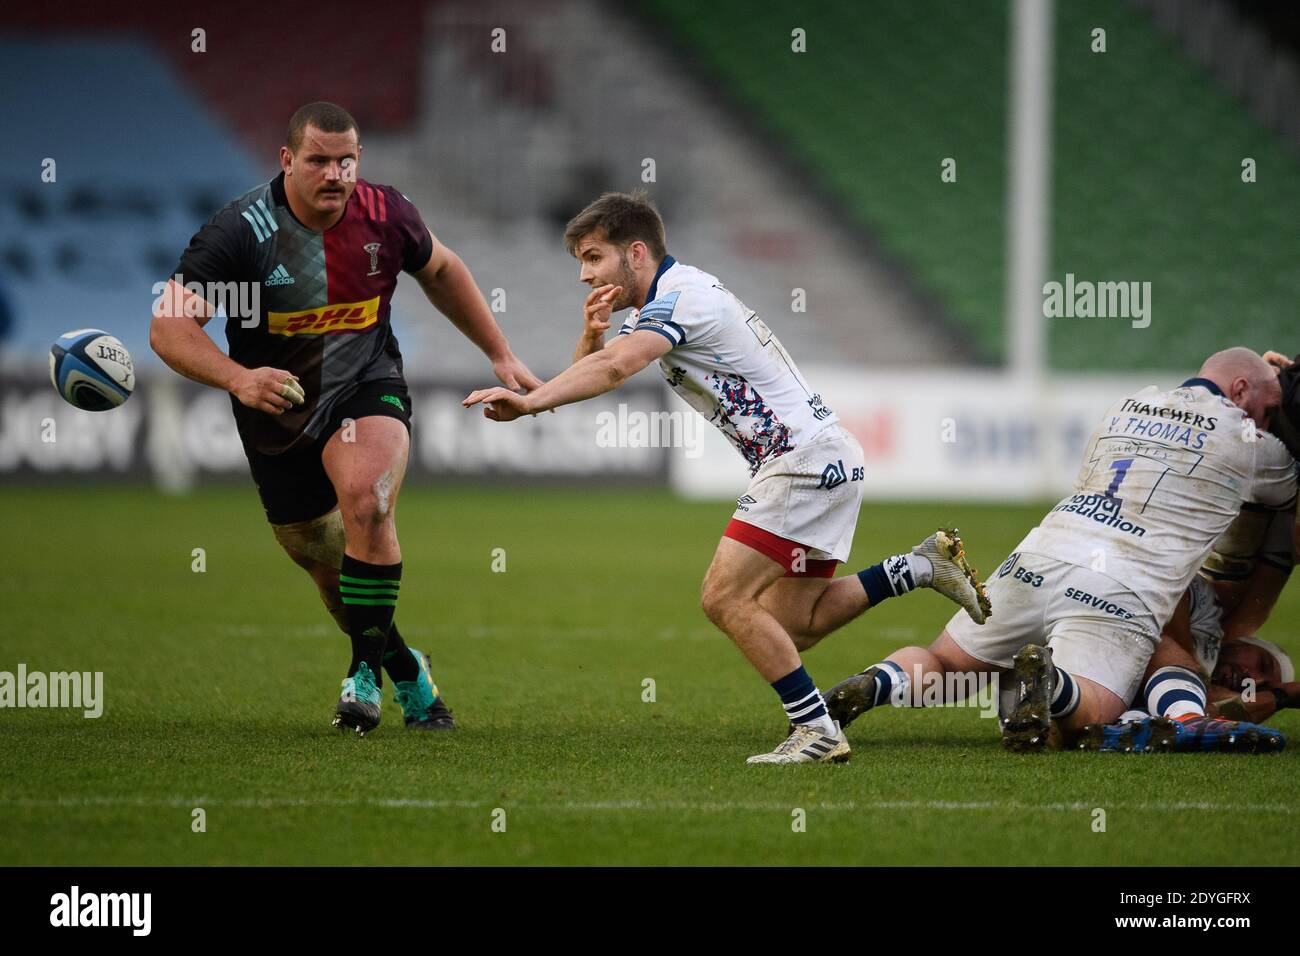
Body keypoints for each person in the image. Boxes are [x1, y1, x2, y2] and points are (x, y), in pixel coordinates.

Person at [463, 191, 989, 764]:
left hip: (801, 462)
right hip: (825, 457)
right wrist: (590, 335)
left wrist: (530, 402)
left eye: (593, 258)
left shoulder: (683, 299)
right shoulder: (663, 301)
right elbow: (599, 364)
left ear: (635, 253)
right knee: (797, 622)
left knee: (722, 597)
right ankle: (916, 567)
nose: (585, 276)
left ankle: (816, 729)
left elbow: (616, 368)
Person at [151, 102, 542, 735]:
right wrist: (238, 377)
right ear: (286, 161)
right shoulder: (240, 232)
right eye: (318, 161)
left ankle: (362, 677)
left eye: (346, 161)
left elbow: (442, 269)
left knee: (368, 503)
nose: (335, 174)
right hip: (277, 407)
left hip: (367, 384)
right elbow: (167, 326)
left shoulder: (387, 214)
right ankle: (404, 666)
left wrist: (498, 352)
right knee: (325, 561)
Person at [822, 348, 1297, 752]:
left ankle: (877, 682)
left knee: (946, 663)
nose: (1268, 421)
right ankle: (1056, 682)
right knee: (1091, 712)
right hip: (1120, 581)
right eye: (1268, 410)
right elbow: (1285, 489)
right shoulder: (1251, 444)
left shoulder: (1127, 404)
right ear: (1239, 393)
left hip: (1035, 559)